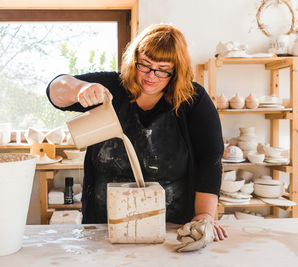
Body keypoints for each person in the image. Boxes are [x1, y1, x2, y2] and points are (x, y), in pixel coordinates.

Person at [47, 24, 227, 241]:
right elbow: (55, 88)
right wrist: (80, 90)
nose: (151, 75)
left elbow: (210, 160)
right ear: (135, 59)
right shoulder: (113, 87)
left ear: (177, 70)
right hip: (104, 226)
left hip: (171, 227)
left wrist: (204, 215)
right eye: (145, 65)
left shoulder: (192, 99)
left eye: (162, 69)